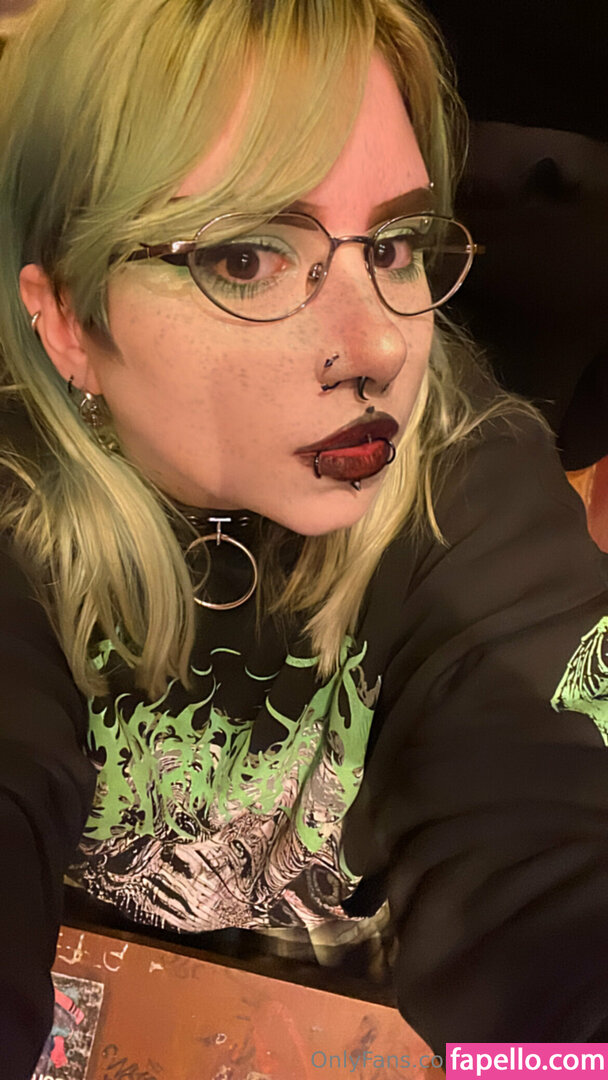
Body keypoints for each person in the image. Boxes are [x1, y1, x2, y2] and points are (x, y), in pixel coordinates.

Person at [0, 1, 607, 1077]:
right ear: (67, 321)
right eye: (246, 258)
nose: (382, 345)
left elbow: (551, 885)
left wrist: (542, 1064)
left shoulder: (472, 487)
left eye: (395, 245)